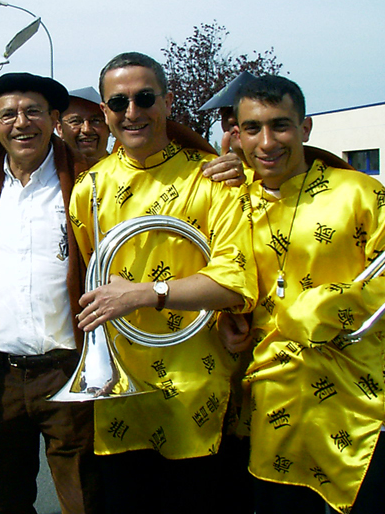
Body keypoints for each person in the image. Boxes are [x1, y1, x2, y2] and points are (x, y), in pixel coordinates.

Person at [218, 74, 385, 513]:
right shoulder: (232, 202)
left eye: (281, 125)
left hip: (358, 405)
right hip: (272, 409)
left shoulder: (356, 192)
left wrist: (335, 304)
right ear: (237, 135)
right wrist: (226, 317)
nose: (267, 142)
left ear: (305, 128)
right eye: (253, 128)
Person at [68, 52, 258, 513]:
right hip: (119, 391)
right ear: (105, 112)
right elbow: (94, 277)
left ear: (168, 102)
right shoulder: (88, 189)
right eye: (119, 103)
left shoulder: (213, 179)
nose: (132, 112)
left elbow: (235, 281)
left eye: (145, 98)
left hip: (196, 388)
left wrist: (143, 293)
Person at [0, 72, 104, 514]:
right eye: (8, 115)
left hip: (70, 371)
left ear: (55, 119)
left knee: (85, 499)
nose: (21, 123)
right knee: (2, 500)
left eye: (33, 112)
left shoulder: (87, 180)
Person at [56, 87, 111, 166]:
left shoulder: (125, 171)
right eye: (76, 121)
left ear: (109, 126)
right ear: (59, 129)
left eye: (96, 121)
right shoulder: (48, 171)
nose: (86, 129)